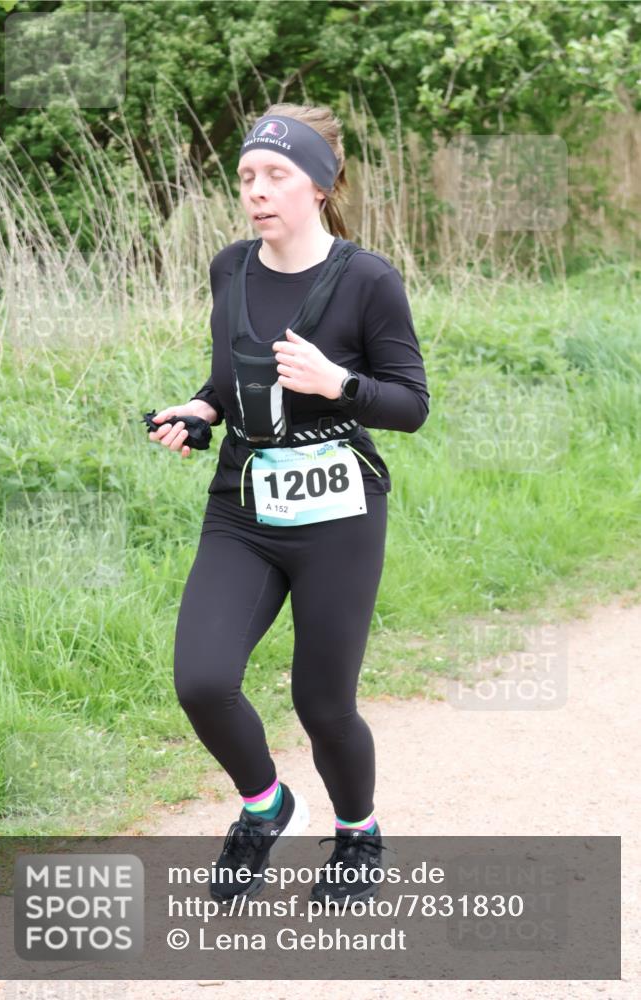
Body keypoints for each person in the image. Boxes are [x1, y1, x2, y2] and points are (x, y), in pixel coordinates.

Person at [147, 103, 430, 907]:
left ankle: (357, 834)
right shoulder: (229, 268)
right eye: (245, 177)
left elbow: (410, 404)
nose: (256, 191)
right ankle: (265, 805)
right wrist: (198, 414)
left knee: (323, 703)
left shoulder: (368, 279)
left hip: (338, 510)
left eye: (275, 175)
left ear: (320, 184)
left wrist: (338, 383)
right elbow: (228, 379)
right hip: (242, 500)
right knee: (202, 680)